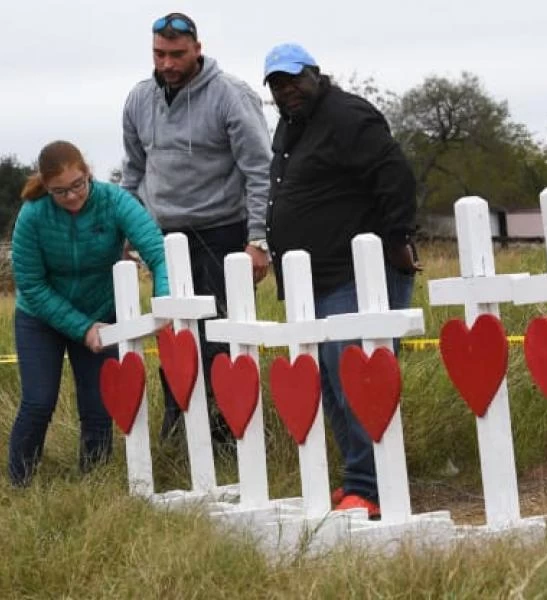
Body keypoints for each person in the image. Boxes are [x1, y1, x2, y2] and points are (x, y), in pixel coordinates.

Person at [262, 43, 421, 518]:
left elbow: (394, 174)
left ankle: (372, 486)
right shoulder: (293, 125)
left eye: (293, 79)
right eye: (276, 84)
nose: (286, 89)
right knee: (330, 380)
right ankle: (358, 478)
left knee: (356, 375)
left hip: (358, 273)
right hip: (315, 277)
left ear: (315, 73)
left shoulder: (348, 114)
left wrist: (396, 236)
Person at [121, 12, 272, 446]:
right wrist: (126, 239)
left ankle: (227, 433)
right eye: (159, 53)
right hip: (163, 238)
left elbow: (260, 171)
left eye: (177, 54)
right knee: (172, 334)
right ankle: (180, 428)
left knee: (219, 337)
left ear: (197, 49)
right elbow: (133, 173)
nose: (167, 63)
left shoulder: (231, 95)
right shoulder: (137, 99)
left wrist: (258, 240)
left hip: (223, 231)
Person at [8, 140, 169, 486]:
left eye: (77, 185)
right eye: (59, 191)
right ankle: (19, 483)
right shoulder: (32, 216)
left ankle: (92, 482)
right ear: (46, 187)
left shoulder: (115, 201)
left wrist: (164, 300)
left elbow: (156, 250)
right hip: (40, 318)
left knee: (97, 406)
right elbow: (31, 286)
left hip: (100, 310)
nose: (71, 197)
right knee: (38, 401)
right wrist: (82, 328)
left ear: (87, 172)